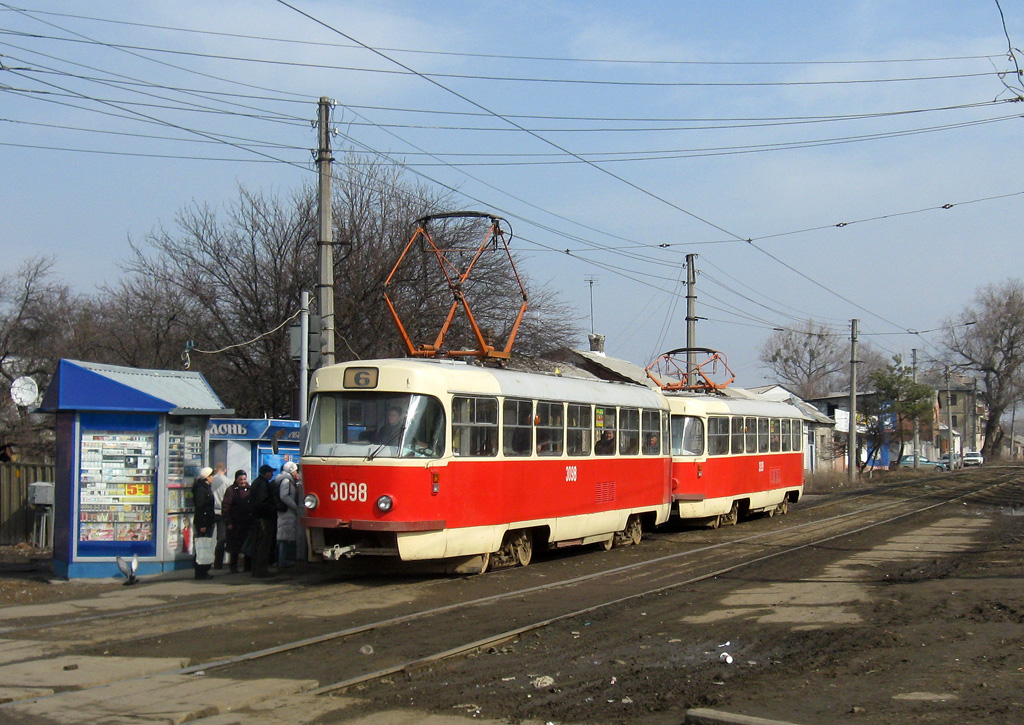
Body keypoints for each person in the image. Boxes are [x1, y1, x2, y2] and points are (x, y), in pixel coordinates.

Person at [248, 464, 278, 578]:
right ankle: (261, 570)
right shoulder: (263, 484)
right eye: (270, 472)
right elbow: (262, 502)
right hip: (264, 518)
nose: (272, 474)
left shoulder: (256, 482)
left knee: (257, 544)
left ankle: (255, 570)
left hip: (257, 517)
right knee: (263, 545)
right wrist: (273, 509)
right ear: (266, 473)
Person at [221, 469, 253, 573]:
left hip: (247, 522)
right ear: (236, 479)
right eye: (241, 479)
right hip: (235, 523)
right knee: (235, 546)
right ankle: (233, 567)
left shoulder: (250, 489)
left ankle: (248, 566)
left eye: (244, 479)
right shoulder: (231, 490)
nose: (243, 481)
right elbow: (226, 507)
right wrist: (228, 522)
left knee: (248, 545)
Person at [191, 467, 216, 580]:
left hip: (208, 522)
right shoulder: (201, 489)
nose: (213, 478)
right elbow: (201, 508)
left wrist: (212, 521)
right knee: (202, 547)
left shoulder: (206, 488)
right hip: (203, 523)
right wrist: (202, 525)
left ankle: (204, 570)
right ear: (207, 477)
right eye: (211, 476)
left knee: (206, 546)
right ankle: (200, 571)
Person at [275, 461, 301, 570]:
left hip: (286, 512)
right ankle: (283, 561)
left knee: (285, 537)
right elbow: (284, 496)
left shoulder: (285, 479)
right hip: (287, 512)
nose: (297, 473)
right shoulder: (286, 481)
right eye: (295, 471)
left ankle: (283, 560)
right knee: (285, 538)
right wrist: (295, 507)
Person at [210, 462, 230, 570]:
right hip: (222, 512)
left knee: (207, 537)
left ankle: (205, 560)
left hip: (211, 511)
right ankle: (218, 563)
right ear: (225, 470)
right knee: (221, 539)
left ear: (215, 469)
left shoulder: (211, 480)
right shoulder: (227, 482)